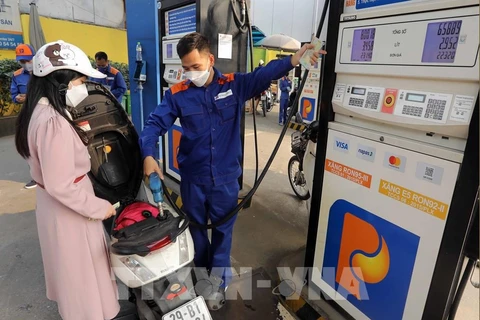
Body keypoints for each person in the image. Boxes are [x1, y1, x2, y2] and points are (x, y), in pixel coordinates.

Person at [140, 32, 324, 297]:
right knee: (198, 232)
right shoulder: (177, 95)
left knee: (223, 235)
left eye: (196, 67)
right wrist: (148, 154)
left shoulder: (234, 85)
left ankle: (219, 284)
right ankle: (201, 279)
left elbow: (263, 75)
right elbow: (154, 125)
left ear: (210, 59)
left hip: (225, 180)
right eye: (186, 68)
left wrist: (294, 59)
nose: (191, 73)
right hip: (194, 178)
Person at [14, 40, 120, 320]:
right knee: (84, 286)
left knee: (75, 280)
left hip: (56, 208)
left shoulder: (38, 112)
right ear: (62, 81)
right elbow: (63, 184)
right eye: (80, 80)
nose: (82, 86)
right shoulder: (53, 122)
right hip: (72, 213)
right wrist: (101, 208)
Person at [10, 43, 37, 189]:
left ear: (34, 58)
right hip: (27, 116)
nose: (26, 64)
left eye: (28, 60)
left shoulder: (43, 73)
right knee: (29, 147)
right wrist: (19, 98)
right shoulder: (17, 76)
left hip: (46, 114)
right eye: (22, 61)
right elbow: (14, 96)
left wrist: (31, 96)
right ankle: (35, 177)